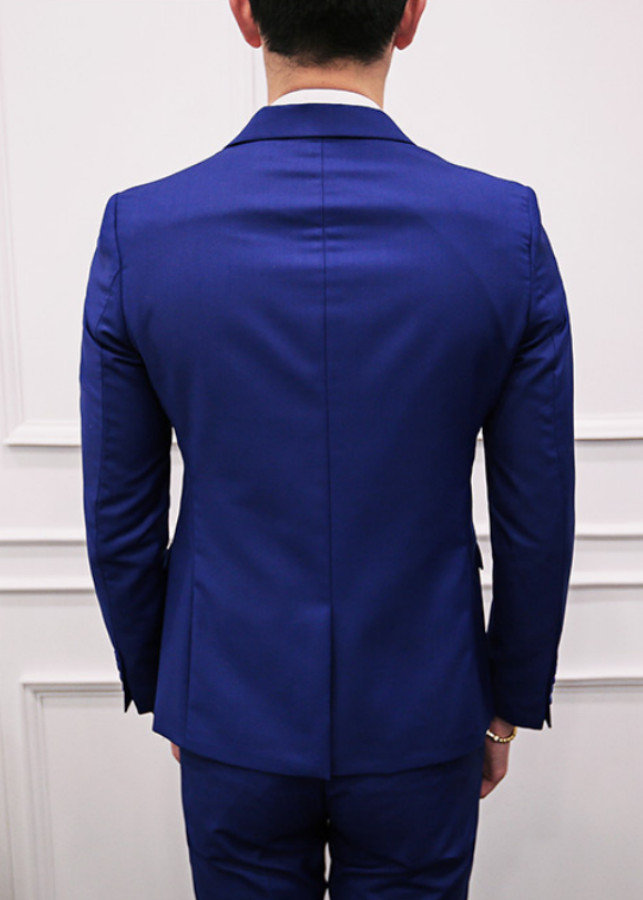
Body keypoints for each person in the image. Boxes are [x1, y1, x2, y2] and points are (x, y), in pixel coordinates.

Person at [79, 0, 575, 897]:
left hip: (228, 705)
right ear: (410, 16)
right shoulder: (503, 229)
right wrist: (505, 706)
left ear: (244, 15)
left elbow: (119, 513)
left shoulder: (141, 230)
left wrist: (176, 691)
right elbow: (535, 512)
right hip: (426, 706)